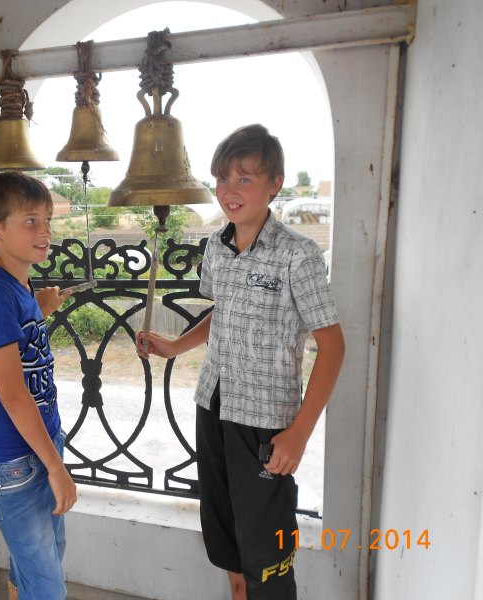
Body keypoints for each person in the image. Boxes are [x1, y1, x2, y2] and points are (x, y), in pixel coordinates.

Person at [136, 124, 345, 600]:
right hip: (214, 406)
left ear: (275, 183)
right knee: (227, 539)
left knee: (268, 561)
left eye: (245, 179)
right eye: (222, 179)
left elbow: (333, 347)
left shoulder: (297, 255)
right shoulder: (217, 247)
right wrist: (175, 346)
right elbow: (223, 311)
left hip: (265, 423)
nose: (230, 191)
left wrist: (299, 434)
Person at [0, 171, 77, 600]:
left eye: (47, 221)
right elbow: (11, 393)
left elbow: (16, 343)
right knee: (46, 583)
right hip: (15, 459)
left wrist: (39, 309)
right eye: (31, 221)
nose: (45, 232)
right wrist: (56, 467)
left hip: (39, 443)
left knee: (44, 558)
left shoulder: (18, 285)